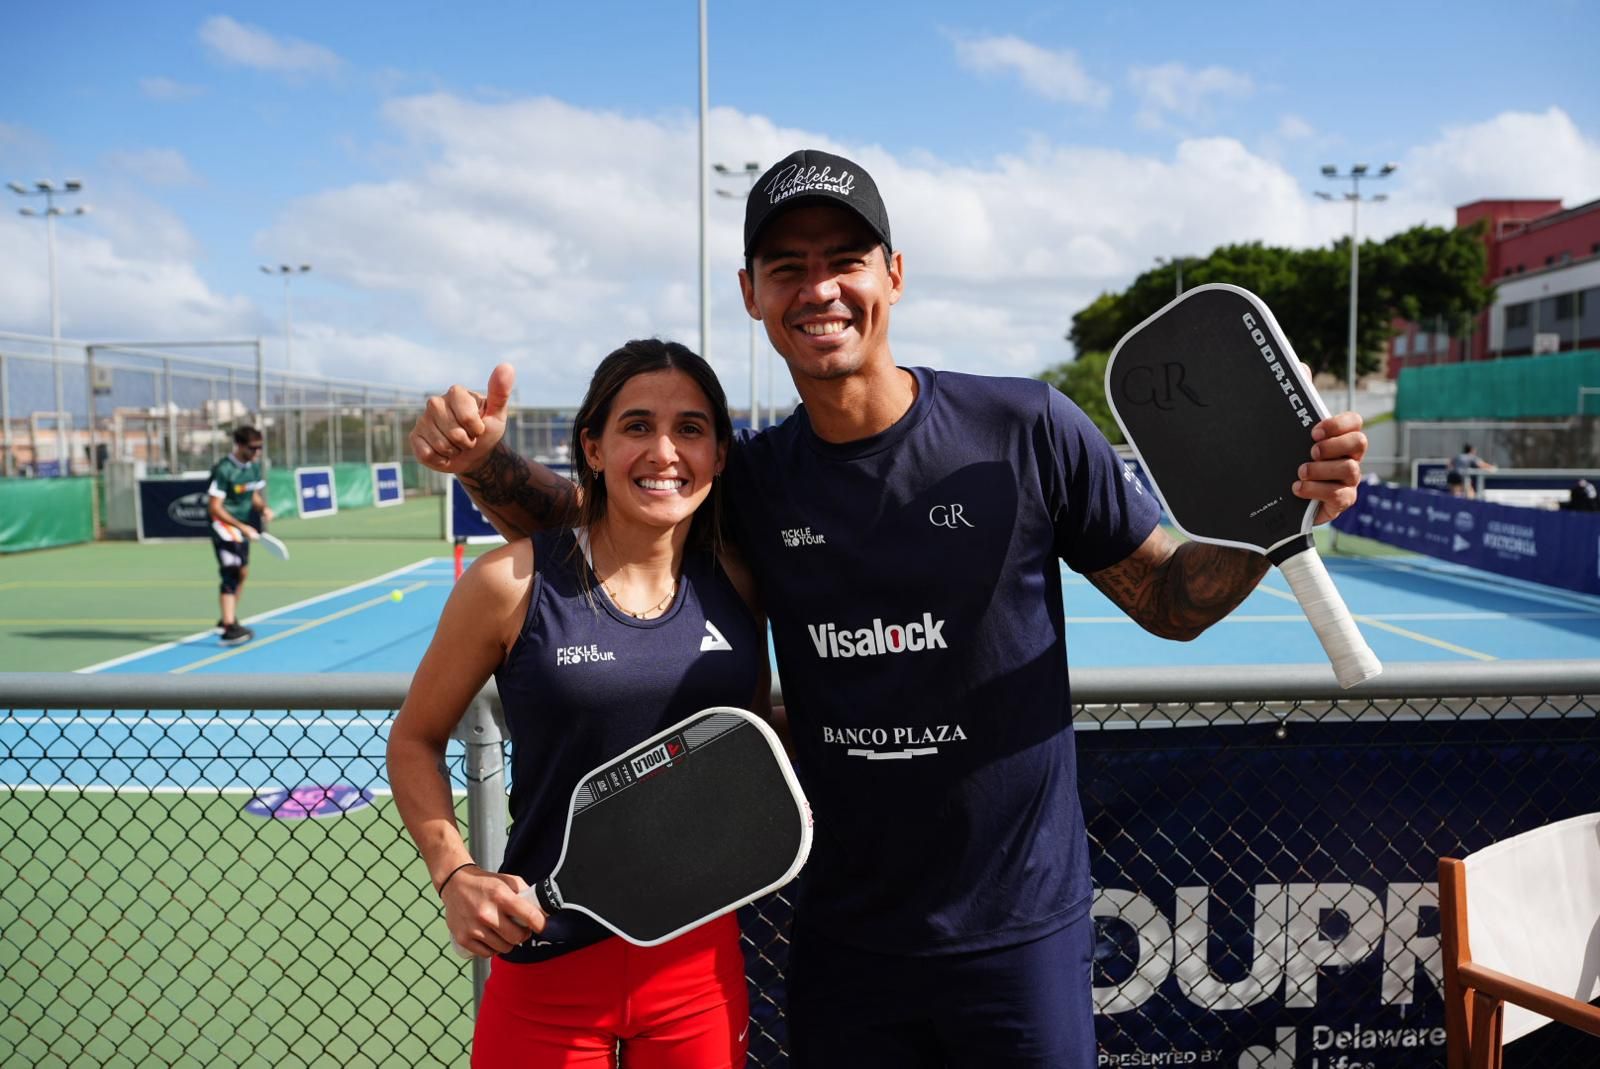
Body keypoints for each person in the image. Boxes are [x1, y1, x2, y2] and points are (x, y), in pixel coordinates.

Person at [408, 149, 1369, 1068]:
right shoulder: (758, 481)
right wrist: (483, 460)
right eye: (787, 267)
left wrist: (1271, 512)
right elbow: (615, 514)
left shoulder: (1027, 427)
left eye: (845, 261)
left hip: (1018, 935)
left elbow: (1168, 599)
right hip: (842, 938)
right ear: (752, 296)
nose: (818, 288)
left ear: (894, 274)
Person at [388, 339, 766, 1069]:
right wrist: (456, 873)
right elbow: (414, 738)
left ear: (720, 454)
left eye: (690, 428)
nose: (664, 450)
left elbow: (738, 746)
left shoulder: (740, 586)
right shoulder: (510, 584)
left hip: (698, 966)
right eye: (636, 426)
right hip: (547, 961)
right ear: (593, 446)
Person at [206, 425, 271, 646]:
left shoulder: (253, 468)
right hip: (224, 528)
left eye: (260, 447)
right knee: (231, 573)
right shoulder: (224, 469)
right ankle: (228, 628)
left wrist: (263, 509)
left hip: (242, 529)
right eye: (253, 448)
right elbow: (215, 507)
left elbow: (253, 495)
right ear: (240, 445)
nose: (257, 452)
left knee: (242, 573)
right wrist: (241, 527)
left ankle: (227, 617)